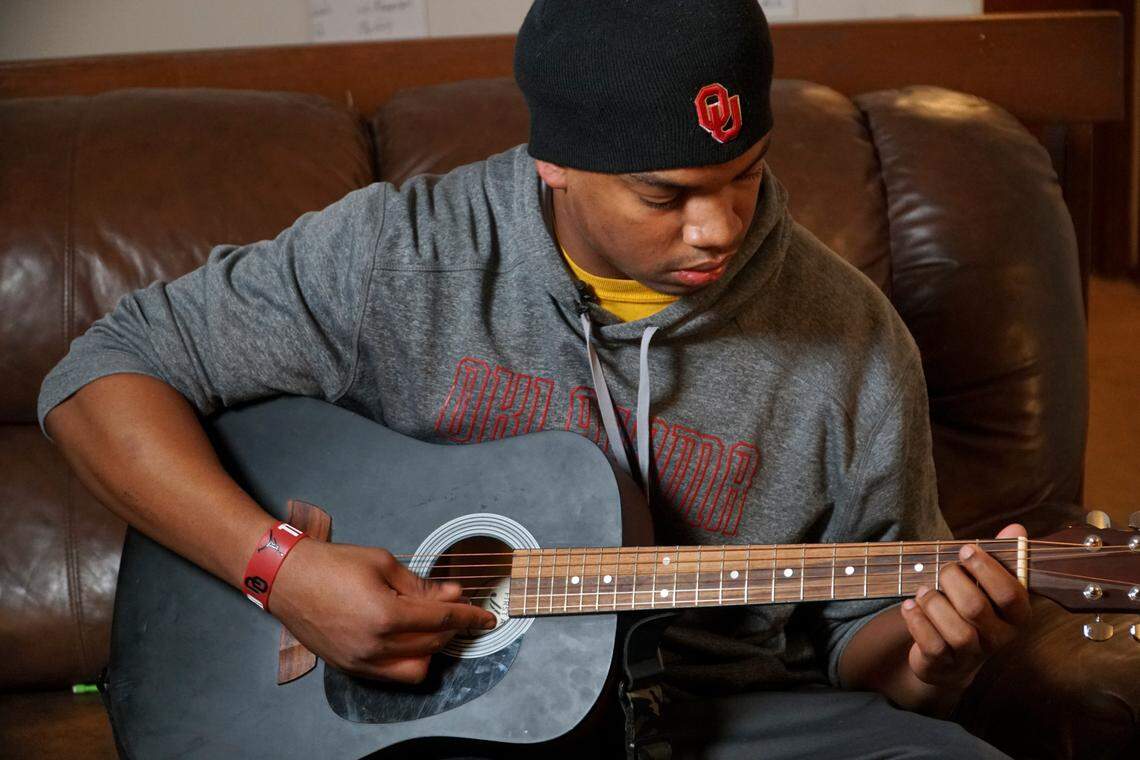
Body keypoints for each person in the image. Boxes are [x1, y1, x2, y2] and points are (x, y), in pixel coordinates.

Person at [37, 1, 1030, 757]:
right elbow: (97, 379)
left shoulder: (854, 338)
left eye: (746, 173)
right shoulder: (401, 255)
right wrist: (282, 569)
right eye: (667, 195)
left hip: (726, 716)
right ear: (555, 163)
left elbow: (863, 643)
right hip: (453, 722)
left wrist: (930, 658)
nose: (720, 225)